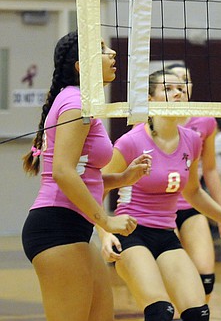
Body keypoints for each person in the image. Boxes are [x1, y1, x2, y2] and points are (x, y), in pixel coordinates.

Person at [98, 69, 221, 321]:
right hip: (130, 234)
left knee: (198, 313)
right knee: (161, 311)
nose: (179, 92)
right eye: (168, 88)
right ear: (150, 100)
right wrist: (105, 233)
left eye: (181, 87)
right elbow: (97, 187)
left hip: (166, 235)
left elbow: (193, 191)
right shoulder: (131, 142)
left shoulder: (193, 140)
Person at [20, 32, 151, 321]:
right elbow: (62, 173)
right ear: (82, 65)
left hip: (74, 229)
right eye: (103, 49)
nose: (113, 54)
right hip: (55, 228)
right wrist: (105, 221)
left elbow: (80, 175)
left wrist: (123, 178)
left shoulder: (83, 102)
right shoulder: (75, 102)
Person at [164, 62, 221, 303]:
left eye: (186, 80)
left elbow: (210, 169)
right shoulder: (148, 121)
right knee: (172, 277)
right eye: (175, 82)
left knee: (205, 277)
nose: (182, 87)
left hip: (193, 203)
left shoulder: (204, 121)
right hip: (158, 209)